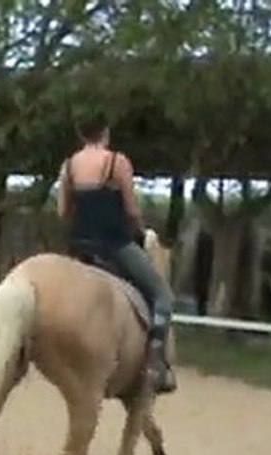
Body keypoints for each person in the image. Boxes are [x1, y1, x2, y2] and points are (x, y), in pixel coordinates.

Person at [56, 112, 177, 394]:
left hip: (80, 246)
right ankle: (155, 363)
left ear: (81, 134)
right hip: (114, 246)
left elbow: (63, 211)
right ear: (106, 132)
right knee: (162, 295)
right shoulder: (117, 162)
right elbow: (132, 210)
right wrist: (139, 231)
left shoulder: (69, 166)